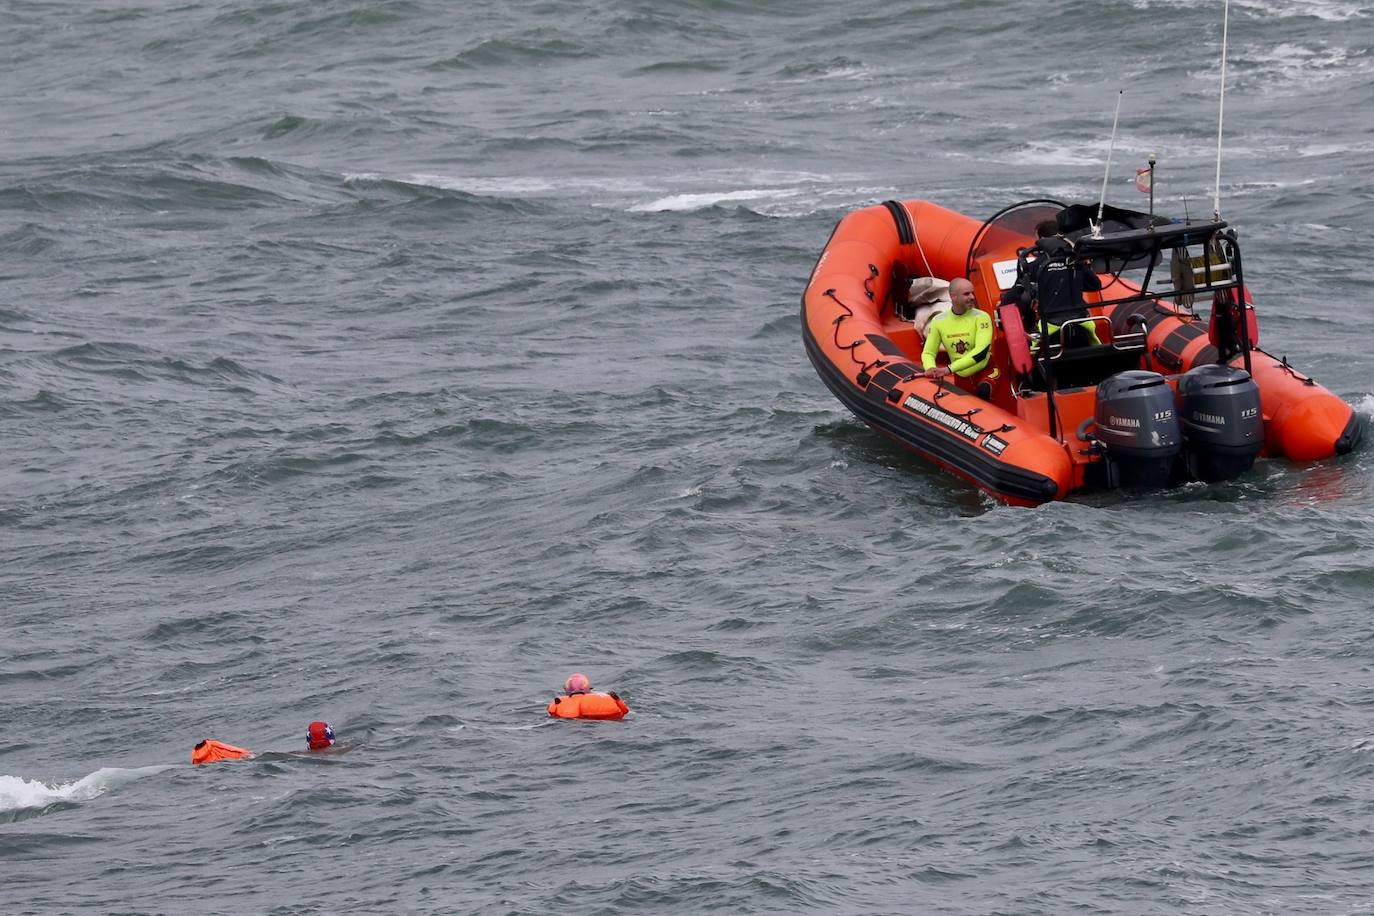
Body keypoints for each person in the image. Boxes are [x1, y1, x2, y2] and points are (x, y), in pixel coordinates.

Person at [1003, 219, 1102, 348]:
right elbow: (1095, 285)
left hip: (1052, 328)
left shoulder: (1035, 266)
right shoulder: (1077, 261)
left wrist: (1004, 303)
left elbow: (1019, 294)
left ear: (1041, 240)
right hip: (1081, 324)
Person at [921, 277, 992, 385]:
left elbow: (981, 352)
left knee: (984, 390)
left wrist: (949, 369)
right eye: (966, 294)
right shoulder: (938, 321)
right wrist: (930, 368)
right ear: (953, 296)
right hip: (961, 376)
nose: (972, 297)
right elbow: (928, 352)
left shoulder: (982, 317)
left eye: (972, 293)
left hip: (985, 372)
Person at [547, 672, 629, 720]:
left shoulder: (559, 702)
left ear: (566, 689)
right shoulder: (605, 698)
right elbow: (625, 711)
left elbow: (551, 712)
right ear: (588, 687)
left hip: (570, 723)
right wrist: (617, 699)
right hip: (605, 722)